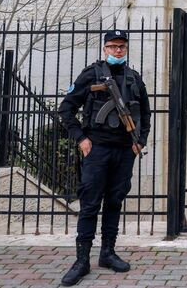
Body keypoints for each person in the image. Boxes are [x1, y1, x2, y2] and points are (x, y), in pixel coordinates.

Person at [58, 30, 151, 286]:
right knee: (89, 204)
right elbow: (66, 108)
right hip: (97, 149)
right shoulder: (92, 74)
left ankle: (108, 253)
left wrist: (140, 141)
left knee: (114, 202)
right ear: (104, 49)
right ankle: (81, 260)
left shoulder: (134, 78)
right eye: (112, 47)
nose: (117, 51)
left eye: (121, 47)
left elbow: (145, 113)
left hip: (124, 150)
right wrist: (81, 139)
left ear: (126, 49)